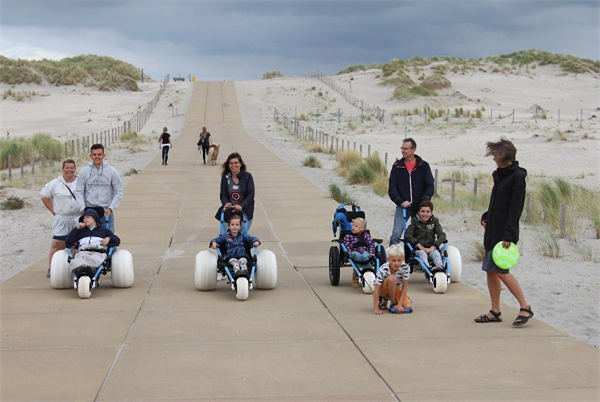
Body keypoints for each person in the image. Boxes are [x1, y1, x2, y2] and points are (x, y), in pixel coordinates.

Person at [474, 137, 534, 327]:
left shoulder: (517, 177)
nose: (493, 159)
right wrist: (487, 216)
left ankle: (525, 307)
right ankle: (495, 311)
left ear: (505, 158)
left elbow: (515, 208)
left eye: (495, 155)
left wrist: (509, 235)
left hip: (504, 234)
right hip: (492, 229)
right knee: (490, 271)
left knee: (501, 270)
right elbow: (498, 204)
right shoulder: (500, 174)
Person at [388, 137, 434, 246]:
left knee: (421, 233)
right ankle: (391, 257)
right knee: (396, 233)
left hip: (419, 207)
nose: (403, 151)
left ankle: (415, 256)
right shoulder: (397, 166)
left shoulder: (423, 166)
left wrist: (424, 201)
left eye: (406, 149)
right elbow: (392, 188)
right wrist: (400, 201)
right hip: (403, 206)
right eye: (402, 148)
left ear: (413, 150)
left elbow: (430, 186)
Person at [40, 159, 80, 277]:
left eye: (72, 168)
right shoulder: (55, 183)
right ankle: (52, 267)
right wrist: (53, 210)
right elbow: (44, 195)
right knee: (57, 243)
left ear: (75, 169)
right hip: (62, 218)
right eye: (67, 168)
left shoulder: (80, 182)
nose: (69, 170)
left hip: (77, 218)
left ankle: (74, 267)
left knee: (76, 243)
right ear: (63, 169)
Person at [75, 143, 123, 233]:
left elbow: (119, 191)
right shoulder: (84, 172)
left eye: (99, 154)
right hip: (89, 212)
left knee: (109, 240)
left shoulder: (112, 171)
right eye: (94, 154)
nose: (97, 157)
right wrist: (82, 208)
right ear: (90, 156)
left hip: (105, 213)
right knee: (86, 240)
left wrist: (111, 208)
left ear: (104, 155)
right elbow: (78, 191)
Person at [65, 209, 120, 273]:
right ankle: (83, 270)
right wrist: (76, 229)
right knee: (77, 261)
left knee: (95, 260)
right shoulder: (80, 231)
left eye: (88, 217)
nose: (85, 219)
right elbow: (68, 241)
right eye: (84, 218)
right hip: (82, 252)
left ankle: (88, 269)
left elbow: (117, 240)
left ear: (95, 219)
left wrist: (109, 238)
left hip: (98, 252)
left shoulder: (103, 230)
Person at [404, 200, 447, 271]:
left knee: (436, 254)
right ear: (418, 212)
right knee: (422, 254)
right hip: (418, 250)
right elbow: (408, 235)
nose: (425, 214)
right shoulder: (415, 221)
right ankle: (427, 268)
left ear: (431, 213)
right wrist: (419, 245)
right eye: (422, 211)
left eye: (428, 212)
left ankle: (440, 267)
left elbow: (442, 235)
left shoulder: (434, 221)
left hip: (431, 248)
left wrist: (433, 246)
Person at [373, 244, 412, 315]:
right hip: (383, 289)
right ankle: (392, 302)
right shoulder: (384, 268)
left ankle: (391, 300)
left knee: (408, 306)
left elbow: (405, 286)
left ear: (403, 259)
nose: (396, 263)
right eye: (393, 260)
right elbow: (376, 288)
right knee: (392, 278)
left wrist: (400, 304)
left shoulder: (405, 267)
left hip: (396, 288)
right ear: (388, 260)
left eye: (399, 260)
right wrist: (376, 309)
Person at [219, 152, 255, 230]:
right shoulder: (225, 178)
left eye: (236, 163)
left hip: (245, 209)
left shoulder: (247, 176)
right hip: (230, 210)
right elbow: (223, 194)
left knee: (242, 235)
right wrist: (226, 203)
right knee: (227, 236)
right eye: (231, 163)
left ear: (240, 164)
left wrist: (241, 205)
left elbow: (251, 194)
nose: (233, 165)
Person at [343, 217, 376, 287]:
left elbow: (371, 244)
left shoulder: (366, 235)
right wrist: (348, 252)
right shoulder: (348, 236)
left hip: (364, 251)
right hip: (354, 251)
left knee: (366, 256)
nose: (353, 227)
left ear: (362, 229)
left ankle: (367, 273)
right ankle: (356, 275)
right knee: (356, 256)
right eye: (352, 225)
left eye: (356, 226)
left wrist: (371, 253)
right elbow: (346, 245)